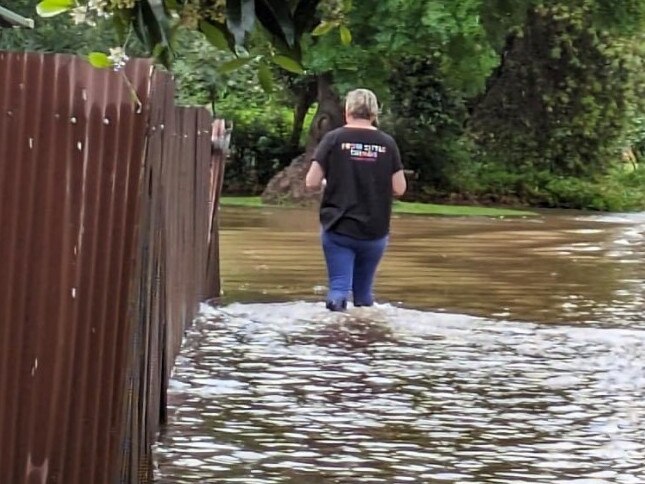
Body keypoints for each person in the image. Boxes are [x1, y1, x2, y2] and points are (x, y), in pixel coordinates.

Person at [305, 88, 407, 311]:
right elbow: (399, 188)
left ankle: (334, 333)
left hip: (339, 227)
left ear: (348, 111)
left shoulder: (333, 139)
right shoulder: (387, 143)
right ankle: (365, 336)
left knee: (339, 288)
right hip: (375, 230)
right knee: (363, 294)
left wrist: (328, 182)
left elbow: (311, 182)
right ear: (373, 113)